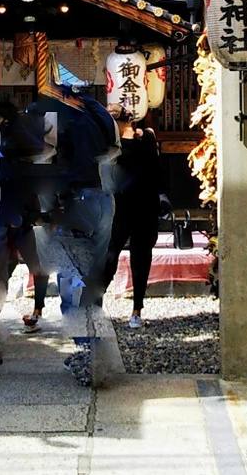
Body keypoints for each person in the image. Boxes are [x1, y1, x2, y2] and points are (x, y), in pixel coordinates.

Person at [102, 104, 168, 328]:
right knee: (122, 256)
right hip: (131, 204)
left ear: (121, 122)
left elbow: (156, 169)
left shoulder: (131, 140)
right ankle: (114, 307)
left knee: (128, 255)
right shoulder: (133, 140)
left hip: (133, 204)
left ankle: (128, 307)